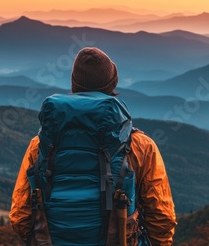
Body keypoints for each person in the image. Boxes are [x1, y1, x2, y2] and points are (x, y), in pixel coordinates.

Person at [9, 47, 177, 245]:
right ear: (113, 84)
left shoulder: (40, 146)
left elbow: (20, 217)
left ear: (74, 84)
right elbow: (162, 218)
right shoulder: (140, 146)